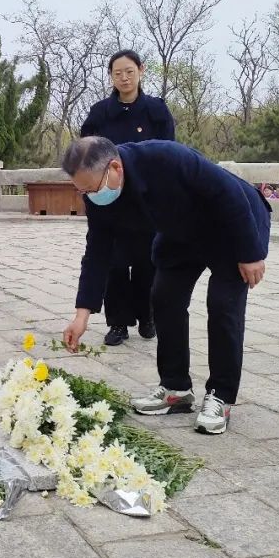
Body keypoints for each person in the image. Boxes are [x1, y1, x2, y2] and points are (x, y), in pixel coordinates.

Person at [61, 137, 272, 434]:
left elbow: (228, 192)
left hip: (232, 224)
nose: (89, 196)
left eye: (91, 189)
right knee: (164, 297)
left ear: (115, 167)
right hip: (180, 233)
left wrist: (251, 253)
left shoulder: (165, 157)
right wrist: (82, 315)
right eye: (81, 191)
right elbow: (97, 252)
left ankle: (221, 396)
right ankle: (176, 389)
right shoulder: (96, 196)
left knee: (223, 305)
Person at [79, 49, 175, 346]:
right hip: (111, 199)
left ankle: (148, 317)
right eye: (117, 72)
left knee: (148, 262)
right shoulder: (99, 113)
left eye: (129, 71)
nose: (124, 77)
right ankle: (118, 323)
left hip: (146, 200)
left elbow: (168, 153)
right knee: (115, 263)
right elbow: (86, 153)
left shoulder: (157, 111)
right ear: (111, 76)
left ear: (141, 71)